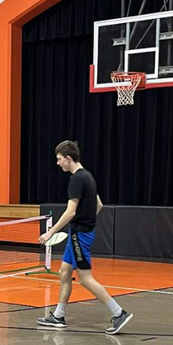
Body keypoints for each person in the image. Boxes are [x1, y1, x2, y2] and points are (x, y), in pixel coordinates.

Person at [37, 140, 133, 335]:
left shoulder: (77, 180)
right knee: (64, 272)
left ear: (68, 158)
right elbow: (99, 205)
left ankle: (118, 313)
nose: (58, 163)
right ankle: (58, 316)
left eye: (59, 159)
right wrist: (86, 221)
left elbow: (70, 212)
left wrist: (50, 232)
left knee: (85, 278)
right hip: (78, 234)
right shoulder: (88, 176)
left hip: (80, 236)